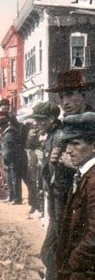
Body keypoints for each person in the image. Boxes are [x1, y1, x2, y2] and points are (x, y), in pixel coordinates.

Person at [55, 113, 95, 279]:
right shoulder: (83, 173)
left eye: (75, 143)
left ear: (94, 145)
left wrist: (71, 264)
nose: (68, 150)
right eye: (67, 144)